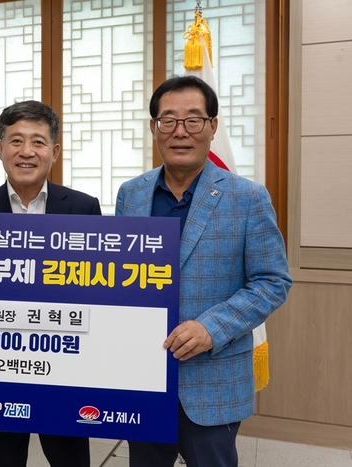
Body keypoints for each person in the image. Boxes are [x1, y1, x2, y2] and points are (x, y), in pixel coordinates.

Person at [114, 75, 292, 467]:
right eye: (168, 120)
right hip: (143, 376)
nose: (180, 132)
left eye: (193, 120)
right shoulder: (131, 194)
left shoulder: (247, 197)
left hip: (213, 380)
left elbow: (273, 281)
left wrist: (212, 328)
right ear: (153, 128)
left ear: (212, 126)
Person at [0, 100, 99, 467]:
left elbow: (96, 294)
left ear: (54, 151)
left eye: (38, 142)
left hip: (63, 367)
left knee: (70, 460)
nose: (26, 152)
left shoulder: (84, 209)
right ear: (0, 148)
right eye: (16, 140)